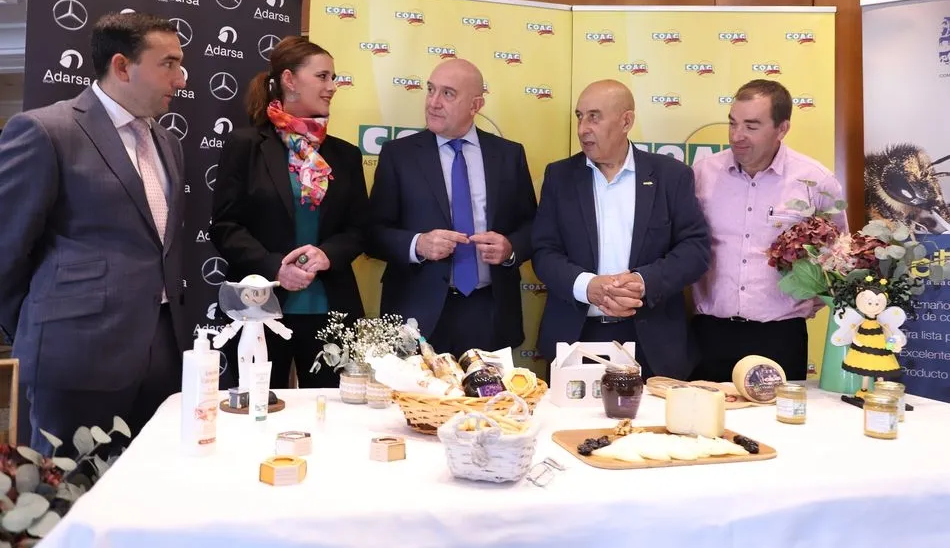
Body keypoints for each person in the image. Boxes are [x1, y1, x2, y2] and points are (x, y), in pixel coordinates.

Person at [0, 12, 188, 453]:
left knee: (153, 480)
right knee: (72, 486)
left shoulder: (168, 142)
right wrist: (37, 325)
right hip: (75, 356)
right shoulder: (46, 130)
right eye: (168, 64)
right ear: (122, 66)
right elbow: (7, 249)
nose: (180, 79)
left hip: (163, 352)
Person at [210, 36, 367, 390]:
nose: (332, 87)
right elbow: (226, 226)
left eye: (333, 78)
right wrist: (275, 267)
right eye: (322, 77)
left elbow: (359, 230)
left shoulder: (346, 155)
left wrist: (327, 255)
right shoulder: (247, 145)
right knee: (260, 410)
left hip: (331, 311)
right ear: (289, 80)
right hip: (258, 307)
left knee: (332, 415)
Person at [532, 80, 710, 380]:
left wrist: (643, 282)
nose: (583, 129)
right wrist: (587, 286)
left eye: (594, 117)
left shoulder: (671, 176)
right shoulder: (560, 176)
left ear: (626, 121)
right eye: (580, 117)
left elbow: (695, 250)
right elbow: (543, 251)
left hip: (652, 343)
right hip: (577, 338)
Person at [367, 58, 537, 356]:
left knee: (489, 389)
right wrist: (418, 244)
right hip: (417, 312)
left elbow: (532, 226)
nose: (433, 102)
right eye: (430, 90)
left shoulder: (508, 155)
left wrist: (510, 249)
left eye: (448, 93)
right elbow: (372, 233)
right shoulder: (399, 155)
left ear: (476, 105)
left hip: (489, 312)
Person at [690, 79, 847, 382]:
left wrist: (807, 299)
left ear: (782, 128)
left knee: (779, 414)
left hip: (780, 336)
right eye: (732, 123)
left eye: (751, 126)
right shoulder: (702, 174)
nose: (737, 135)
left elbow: (839, 257)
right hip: (709, 334)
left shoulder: (815, 180)